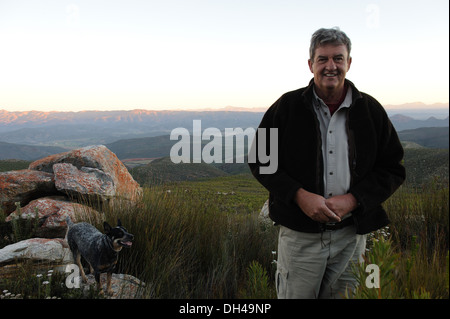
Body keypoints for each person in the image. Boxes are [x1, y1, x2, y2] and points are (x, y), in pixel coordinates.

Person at [248, 27, 405, 299]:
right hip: (300, 239)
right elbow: (261, 160)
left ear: (349, 63)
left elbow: (392, 167)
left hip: (351, 239)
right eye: (322, 59)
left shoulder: (370, 110)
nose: (330, 66)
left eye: (338, 58)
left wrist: (355, 199)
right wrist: (299, 196)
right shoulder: (286, 107)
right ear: (311, 65)